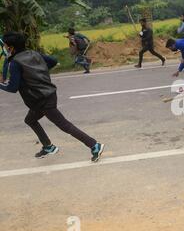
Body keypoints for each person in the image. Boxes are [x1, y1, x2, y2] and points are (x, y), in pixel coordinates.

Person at [0, 32, 105, 161]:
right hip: (44, 96)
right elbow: (53, 61)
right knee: (30, 120)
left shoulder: (15, 63)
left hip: (41, 100)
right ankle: (48, 147)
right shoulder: (34, 53)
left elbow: (12, 88)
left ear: (11, 47)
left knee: (64, 125)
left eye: (5, 45)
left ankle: (94, 145)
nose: (4, 48)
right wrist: (39, 71)